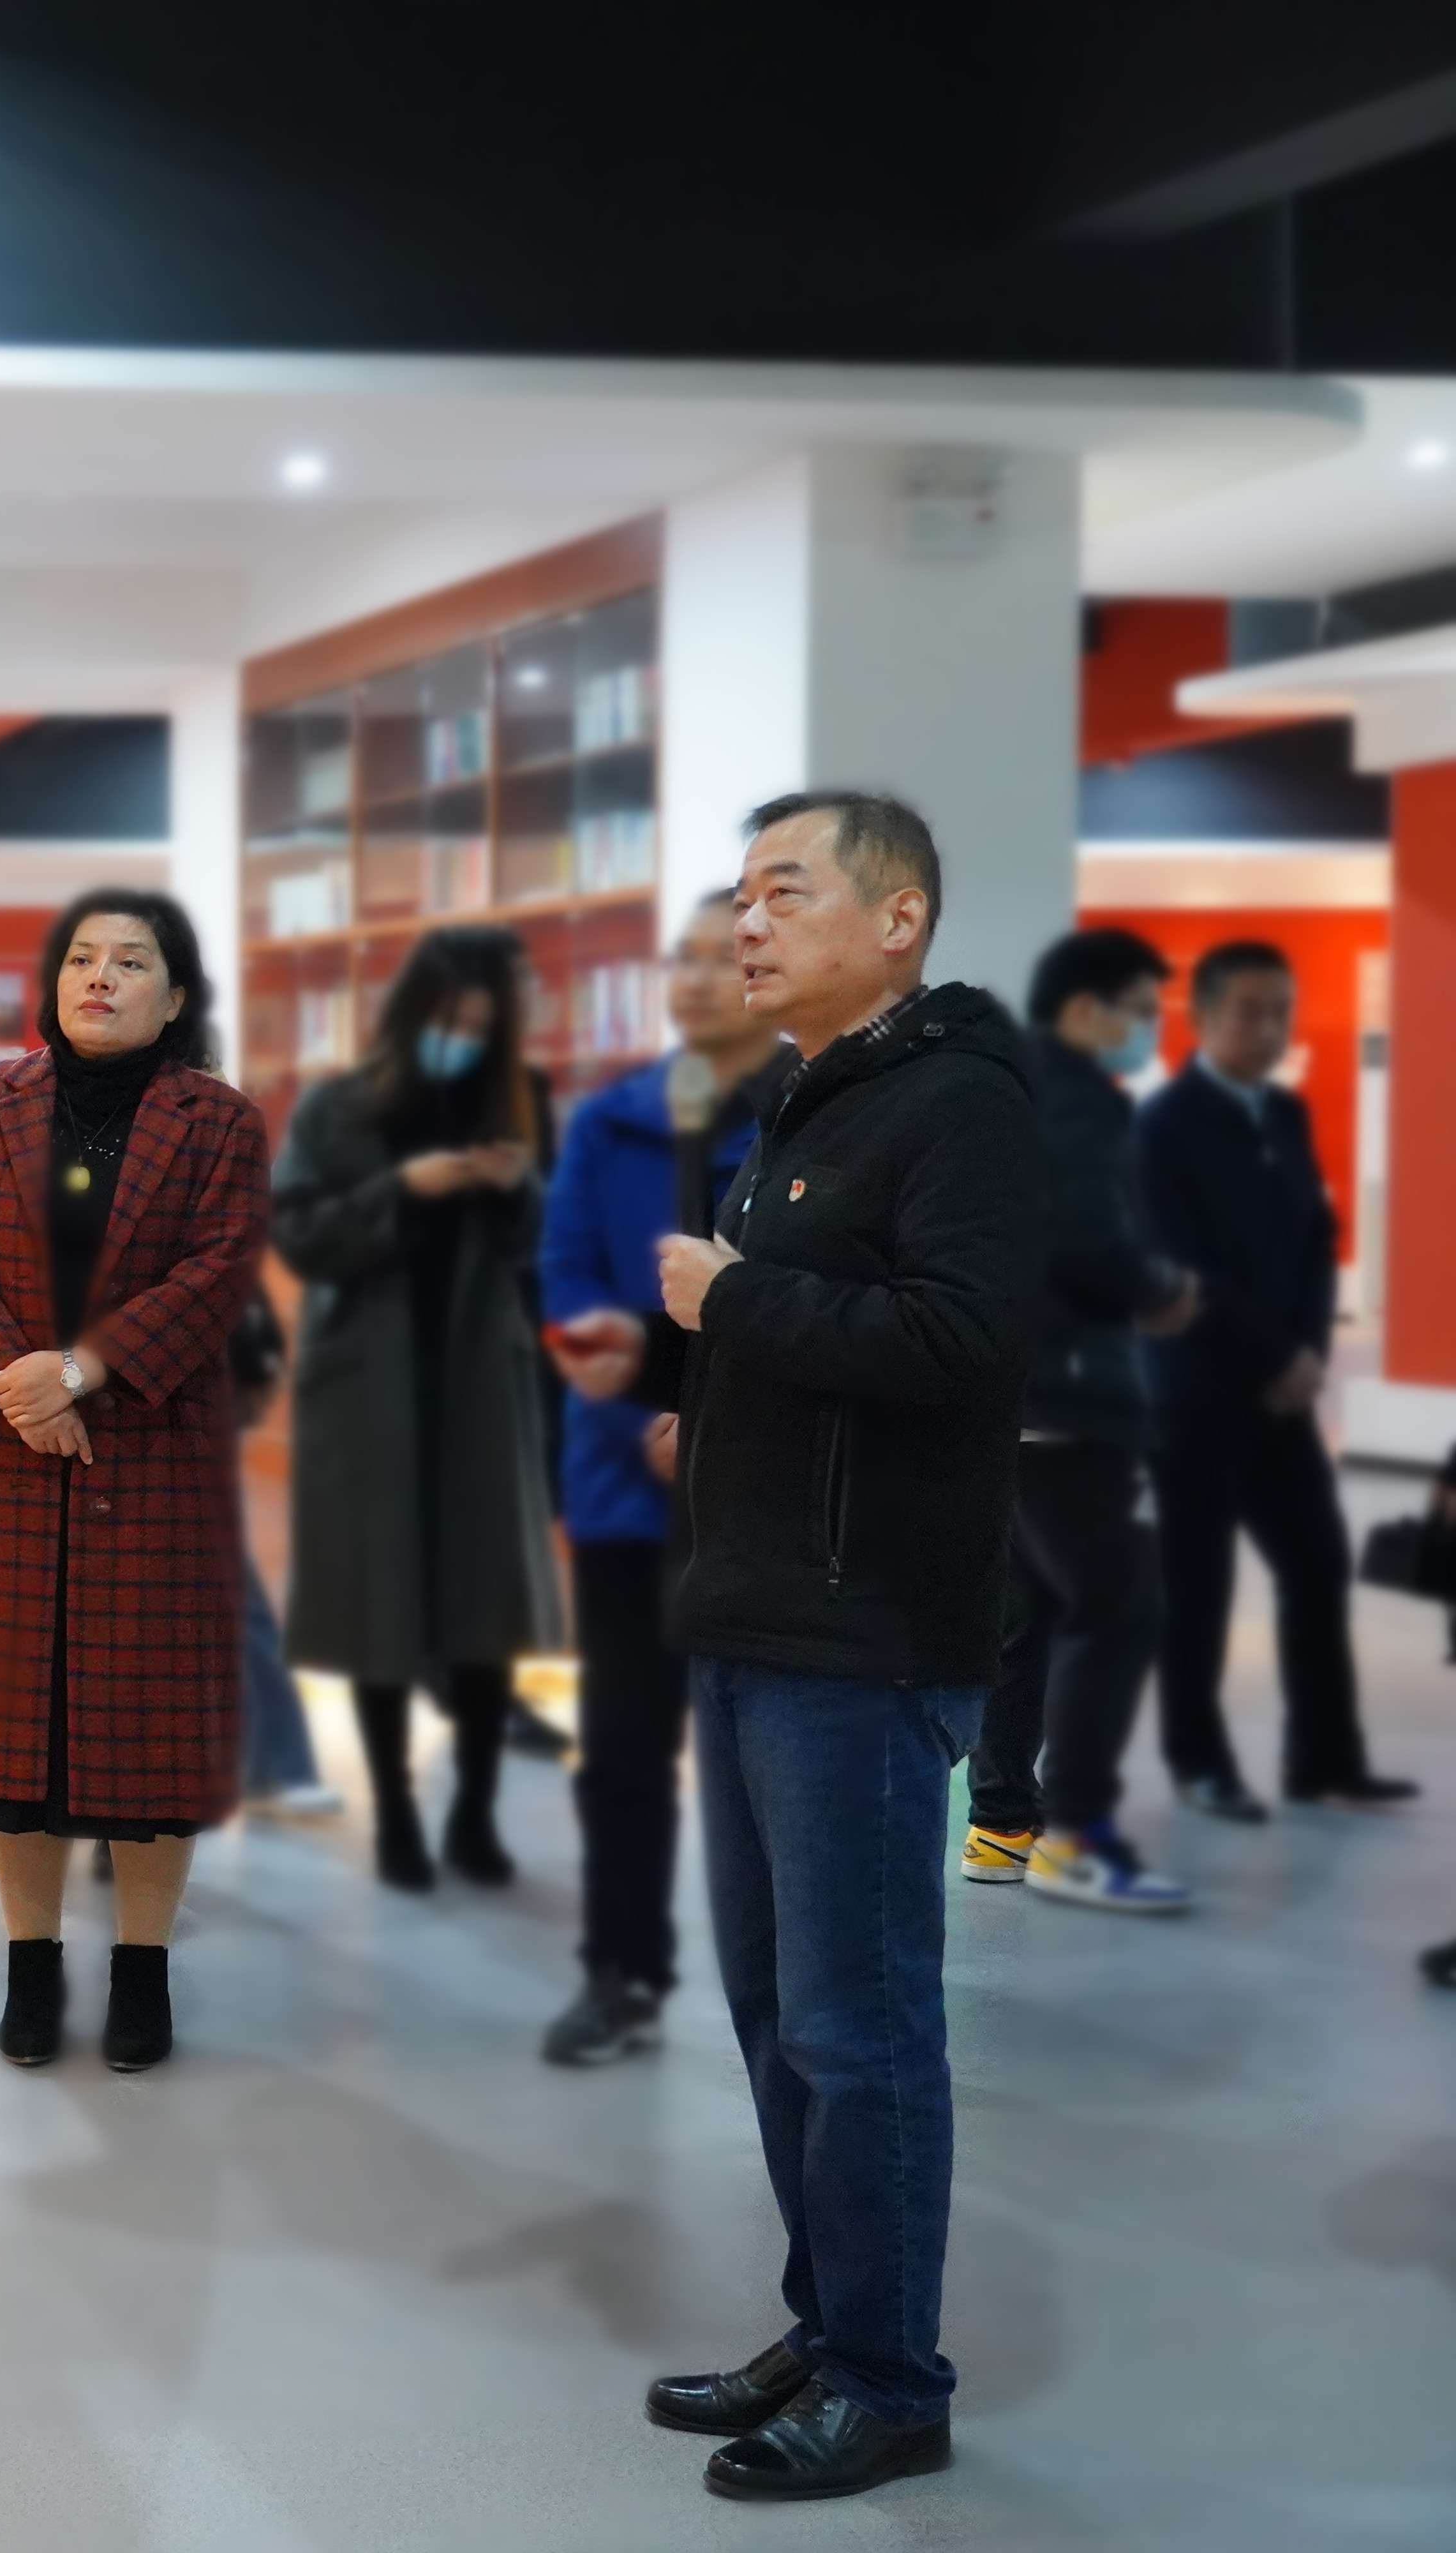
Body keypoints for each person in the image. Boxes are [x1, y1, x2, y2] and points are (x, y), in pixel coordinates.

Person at [628, 791, 1044, 2502]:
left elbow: (963, 1339)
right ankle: (831, 2321)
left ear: (899, 918)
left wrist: (729, 1302)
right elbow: (836, 1338)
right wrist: (714, 1412)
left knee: (858, 2026)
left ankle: (890, 2379)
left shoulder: (962, 1102)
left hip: (862, 1635)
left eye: (783, 891)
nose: (747, 922)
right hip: (757, 1614)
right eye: (740, 895)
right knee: (774, 2014)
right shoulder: (808, 1096)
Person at [0, 887, 267, 2075]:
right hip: (4, 1450)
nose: (100, 977)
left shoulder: (221, 1122)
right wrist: (18, 1379)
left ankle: (143, 1970)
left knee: (150, 1735)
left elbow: (219, 1271)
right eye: (82, 958)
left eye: (131, 961)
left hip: (151, 1450)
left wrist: (83, 1371)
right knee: (17, 1739)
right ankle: (31, 1964)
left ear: (177, 995)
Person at [537, 890, 789, 2062]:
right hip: (626, 1488)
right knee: (627, 1748)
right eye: (677, 961)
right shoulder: (611, 1120)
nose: (692, 979)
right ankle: (622, 1971)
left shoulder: (814, 1114)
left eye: (716, 958)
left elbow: (818, 1300)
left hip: (771, 1496)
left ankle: (798, 1985)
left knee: (777, 1756)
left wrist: (716, 1415)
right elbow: (567, 1282)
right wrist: (644, 1399)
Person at [271, 924, 563, 1894]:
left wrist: (517, 1191)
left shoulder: (517, 1102)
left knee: (483, 1609)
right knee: (379, 1609)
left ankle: (474, 1813)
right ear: (411, 1015)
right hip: (367, 1388)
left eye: (479, 1028)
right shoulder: (338, 1107)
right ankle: (396, 1814)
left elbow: (545, 1245)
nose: (461, 1042)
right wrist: (401, 1190)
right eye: (449, 1022)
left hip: (479, 1385)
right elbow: (299, 1236)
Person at [1136, 940, 1417, 1813]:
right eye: (1249, 1012)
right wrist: (1279, 1355)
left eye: (1280, 1012)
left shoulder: (1285, 1114)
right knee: (1199, 1584)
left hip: (1282, 1397)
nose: (1268, 1029)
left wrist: (1311, 1354)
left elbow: (1316, 1244)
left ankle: (1325, 1760)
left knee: (1318, 1565)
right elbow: (1181, 1269)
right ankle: (1199, 1761)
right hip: (1195, 1396)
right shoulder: (1163, 1127)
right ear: (1203, 1017)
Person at [960, 930, 1205, 1911]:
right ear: (1084, 1010)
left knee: (1029, 1615)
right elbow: (1088, 1241)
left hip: (1007, 1399)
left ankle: (1000, 1827)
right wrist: (1162, 1287)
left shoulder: (999, 1091)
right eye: (1140, 1010)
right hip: (1071, 1401)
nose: (1148, 1030)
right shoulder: (1077, 1103)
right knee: (1118, 1607)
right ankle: (1076, 1834)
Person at [226, 1295, 341, 1819]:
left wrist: (256, 1375)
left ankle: (278, 1768)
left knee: (241, 1608)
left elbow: (257, 1330)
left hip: (186, 1430)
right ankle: (274, 1768)